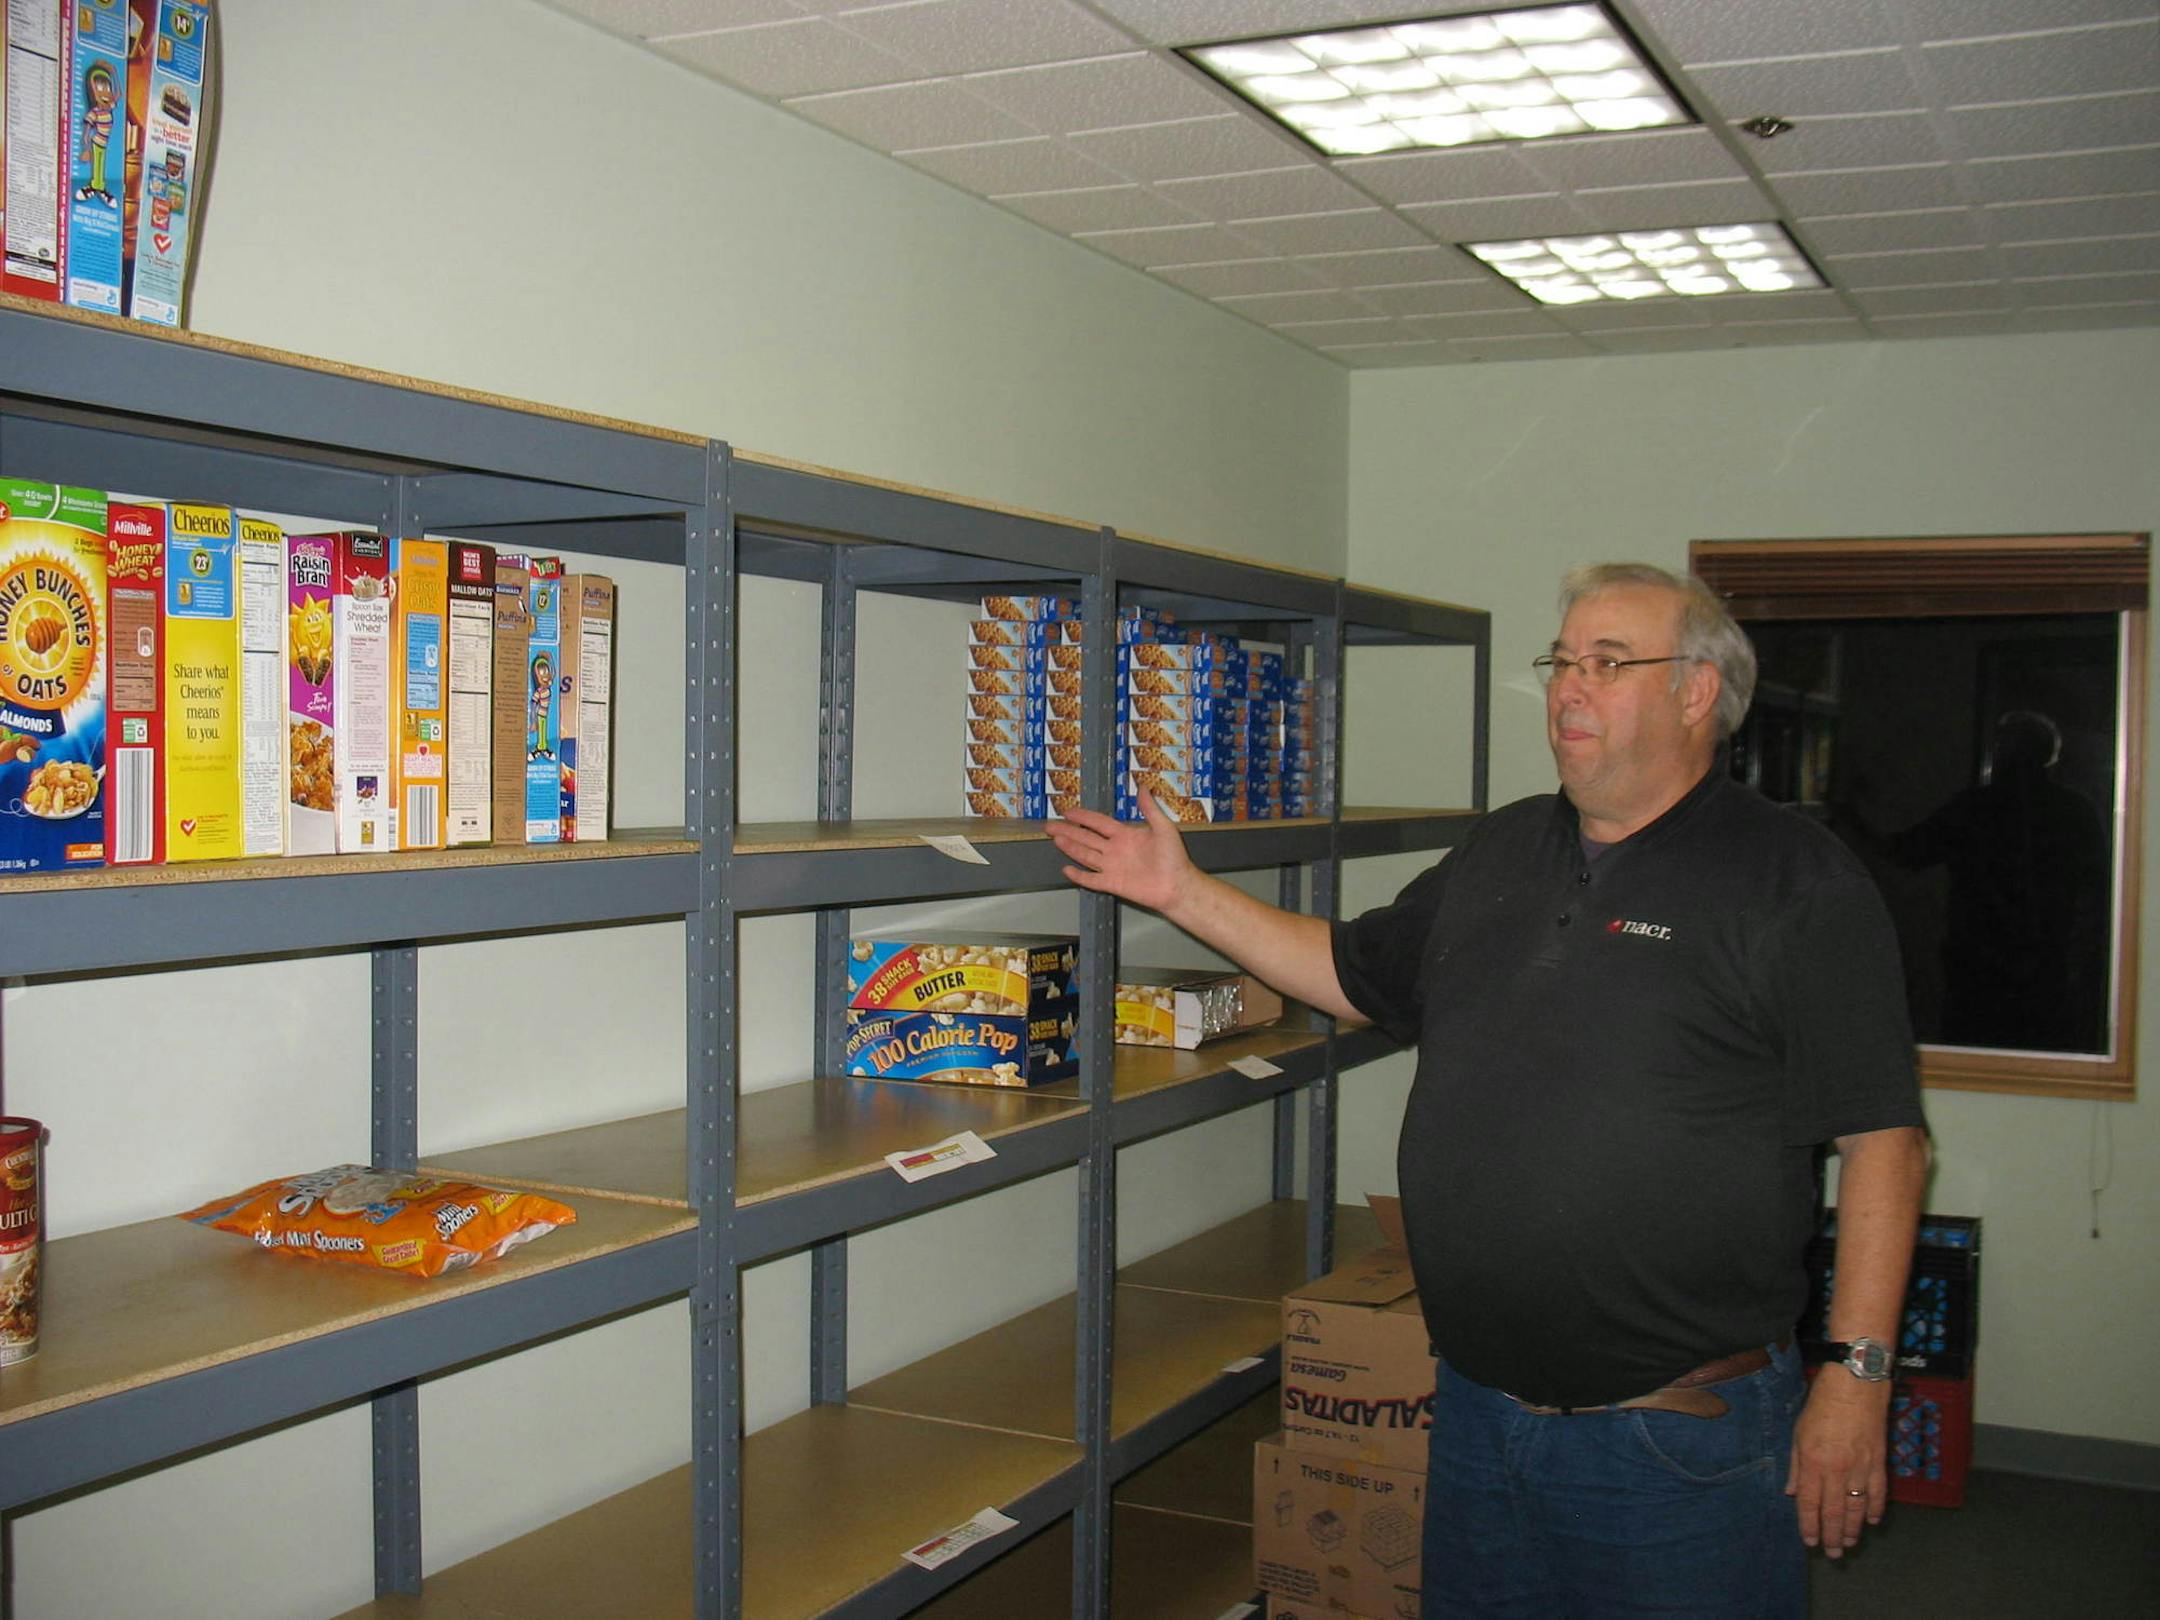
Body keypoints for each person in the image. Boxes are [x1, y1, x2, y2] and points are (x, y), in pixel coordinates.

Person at [1048, 563, 1930, 1619]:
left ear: (1698, 693)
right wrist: (1181, 892)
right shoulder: (1503, 846)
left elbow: (1885, 1143)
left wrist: (1859, 1374)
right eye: (1562, 662)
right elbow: (1352, 973)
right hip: (1476, 1412)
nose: (1568, 690)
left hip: (1674, 1438)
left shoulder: (1796, 881)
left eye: (1608, 664)